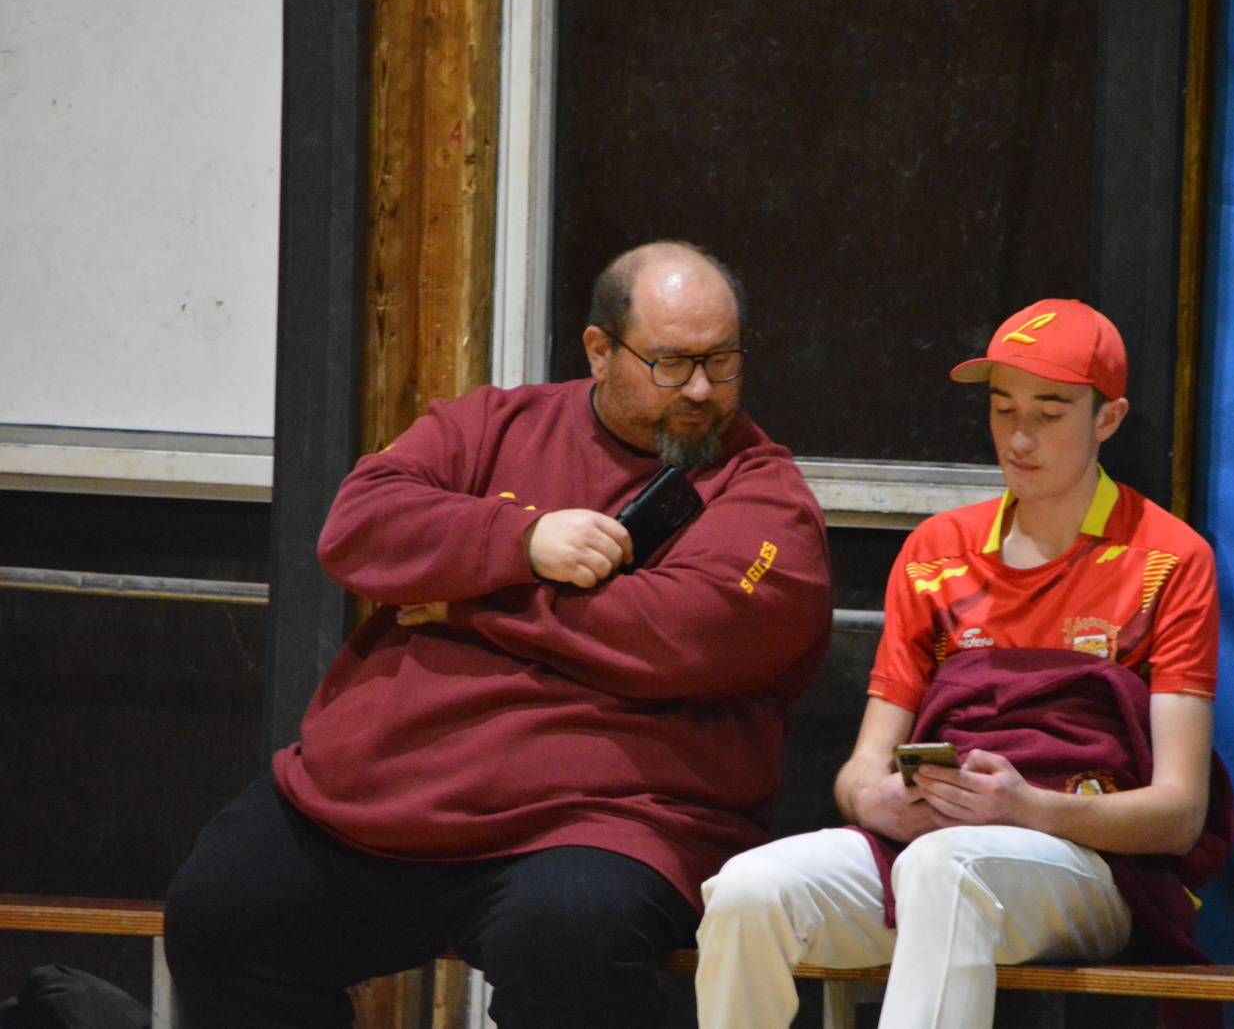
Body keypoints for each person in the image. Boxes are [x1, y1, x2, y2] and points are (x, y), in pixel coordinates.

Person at [163, 241, 834, 1029]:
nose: (699, 389)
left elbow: (686, 632)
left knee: (571, 935)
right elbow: (357, 525)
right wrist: (521, 539)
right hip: (377, 803)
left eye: (722, 361)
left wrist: (468, 603)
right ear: (599, 351)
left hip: (603, 824)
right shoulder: (492, 423)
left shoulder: (764, 492)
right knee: (220, 908)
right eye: (671, 363)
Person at [695, 299, 1231, 1029]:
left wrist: (1029, 808)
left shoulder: (1169, 559)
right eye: (1003, 408)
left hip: (1090, 866)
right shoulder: (935, 552)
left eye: (1049, 412)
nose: (1019, 437)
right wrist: (877, 802)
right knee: (746, 891)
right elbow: (860, 771)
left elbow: (1179, 814)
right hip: (927, 848)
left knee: (946, 867)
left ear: (1108, 419)